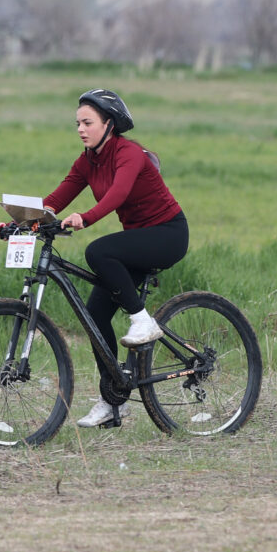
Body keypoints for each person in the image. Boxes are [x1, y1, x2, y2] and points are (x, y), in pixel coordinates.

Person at [42, 89, 189, 428]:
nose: (80, 129)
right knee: (95, 315)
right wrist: (18, 221)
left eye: (87, 122)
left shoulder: (129, 153)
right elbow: (56, 198)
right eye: (77, 123)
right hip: (137, 240)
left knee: (98, 250)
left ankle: (143, 321)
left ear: (109, 124)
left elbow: (118, 193)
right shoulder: (87, 161)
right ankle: (114, 399)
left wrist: (86, 218)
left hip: (167, 234)